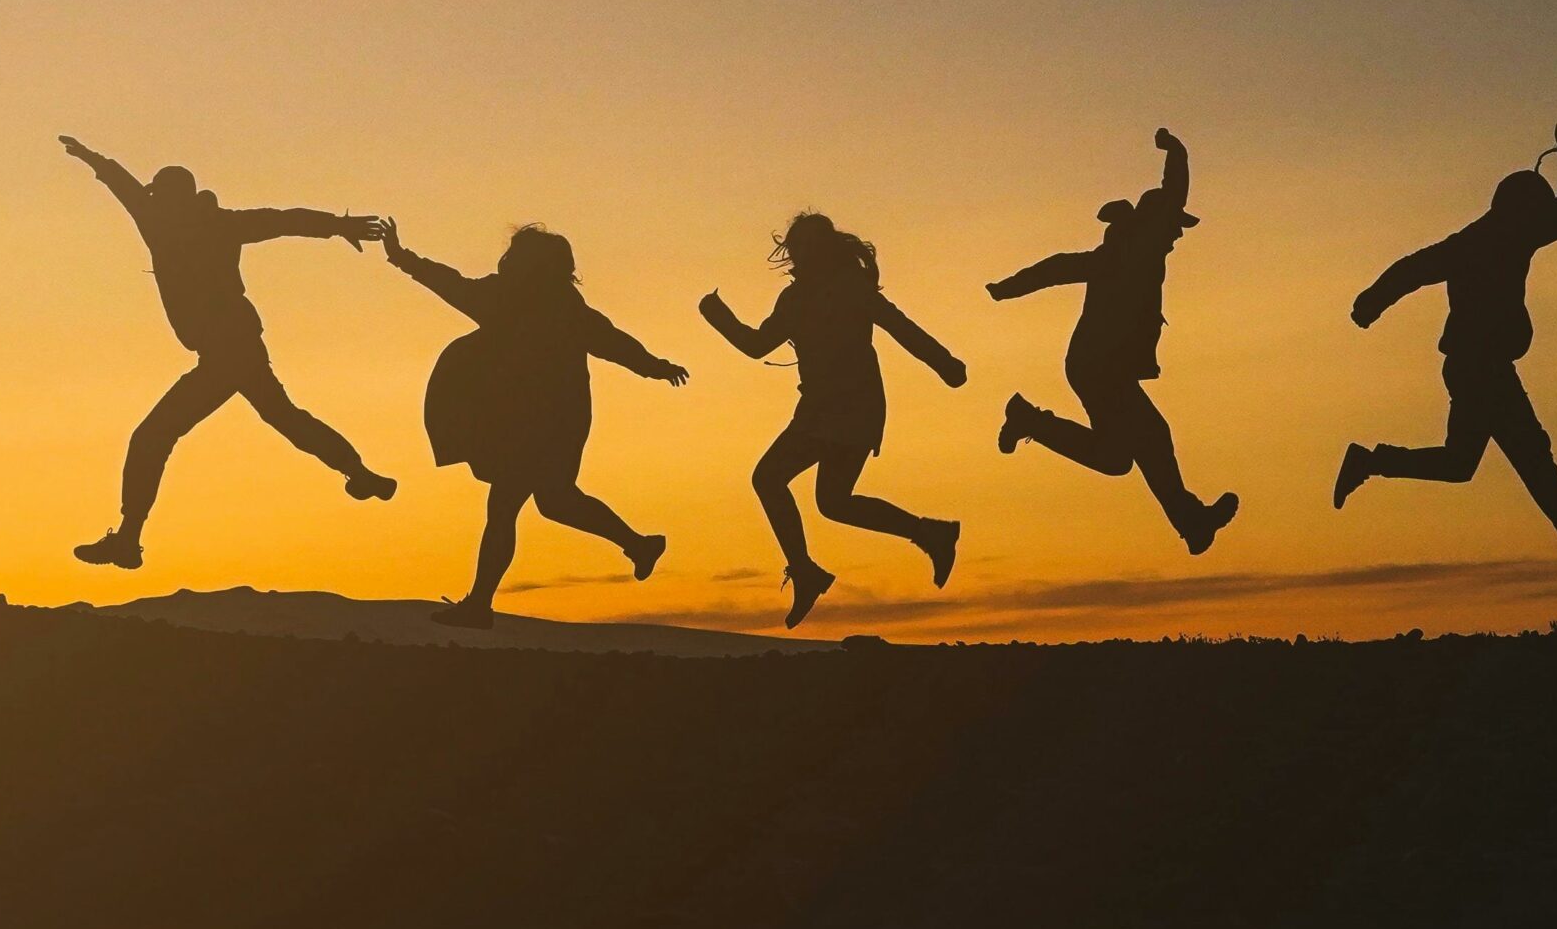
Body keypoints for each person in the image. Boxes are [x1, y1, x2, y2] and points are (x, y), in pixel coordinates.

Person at [58, 136, 390, 570]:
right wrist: (338, 226)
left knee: (152, 438)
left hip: (224, 354)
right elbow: (281, 220)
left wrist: (91, 158)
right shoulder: (207, 222)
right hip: (239, 349)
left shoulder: (165, 222)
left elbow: (127, 186)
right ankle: (360, 474)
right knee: (284, 417)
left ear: (169, 198)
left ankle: (128, 539)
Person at [1333, 131, 1557, 567]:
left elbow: (1413, 268)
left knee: (1463, 464)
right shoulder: (1501, 237)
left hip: (1476, 366)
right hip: (1481, 368)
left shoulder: (1478, 239)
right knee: (1531, 452)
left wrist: (1372, 303)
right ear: (1522, 208)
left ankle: (1369, 462)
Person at [379, 217, 686, 628]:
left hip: (536, 423)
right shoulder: (556, 305)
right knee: (555, 501)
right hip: (555, 419)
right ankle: (638, 544)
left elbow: (613, 343)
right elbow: (612, 341)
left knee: (507, 507)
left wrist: (654, 366)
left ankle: (479, 606)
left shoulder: (518, 300)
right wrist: (654, 366)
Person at [700, 213, 967, 630]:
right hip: (829, 409)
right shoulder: (796, 299)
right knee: (834, 502)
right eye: (795, 250)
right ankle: (929, 534)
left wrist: (945, 363)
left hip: (845, 409)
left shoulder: (849, 290)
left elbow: (902, 328)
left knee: (770, 479)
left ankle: (807, 570)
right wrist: (717, 316)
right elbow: (756, 345)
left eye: (802, 249)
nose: (797, 258)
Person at [986, 127, 1239, 555]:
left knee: (1117, 458)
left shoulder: (1131, 253)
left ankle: (1030, 420)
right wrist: (1176, 152)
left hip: (1101, 367)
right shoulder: (1130, 253)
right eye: (1175, 227)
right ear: (1154, 225)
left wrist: (1010, 288)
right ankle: (1191, 522)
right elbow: (1057, 267)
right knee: (1153, 437)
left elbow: (1059, 267)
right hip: (1098, 367)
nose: (1177, 236)